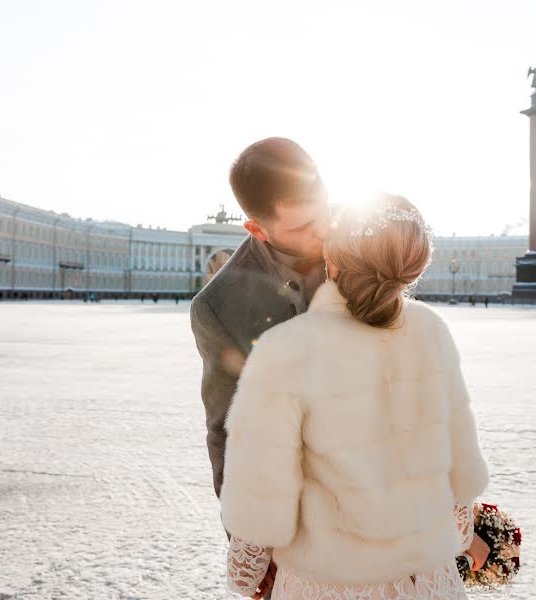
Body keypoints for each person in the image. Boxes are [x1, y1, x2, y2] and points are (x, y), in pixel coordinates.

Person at [220, 195, 490, 599]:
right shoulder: (431, 334)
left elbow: (260, 494)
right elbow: (456, 490)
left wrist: (248, 575)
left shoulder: (285, 349)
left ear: (333, 258)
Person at [190, 137, 331, 596]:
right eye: (307, 225)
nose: (327, 228)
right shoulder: (222, 307)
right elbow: (227, 431)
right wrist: (249, 546)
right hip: (304, 518)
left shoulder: (363, 239)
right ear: (256, 228)